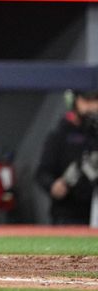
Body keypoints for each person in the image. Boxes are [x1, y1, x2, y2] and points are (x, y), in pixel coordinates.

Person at [36, 89, 98, 225]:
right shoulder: (60, 135)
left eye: (96, 101)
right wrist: (53, 185)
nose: (93, 106)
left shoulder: (95, 133)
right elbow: (42, 172)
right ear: (74, 101)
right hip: (67, 213)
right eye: (87, 100)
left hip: (94, 209)